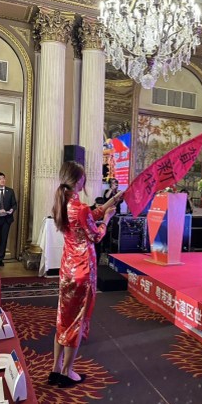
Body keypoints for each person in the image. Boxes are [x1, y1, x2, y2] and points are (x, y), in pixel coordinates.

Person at [49, 161, 121, 388]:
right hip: (83, 270)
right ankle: (67, 372)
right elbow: (96, 235)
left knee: (63, 319)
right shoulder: (79, 208)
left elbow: (89, 214)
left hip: (67, 269)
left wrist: (109, 202)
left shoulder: (62, 203)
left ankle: (55, 368)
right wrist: (107, 219)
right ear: (79, 180)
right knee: (76, 322)